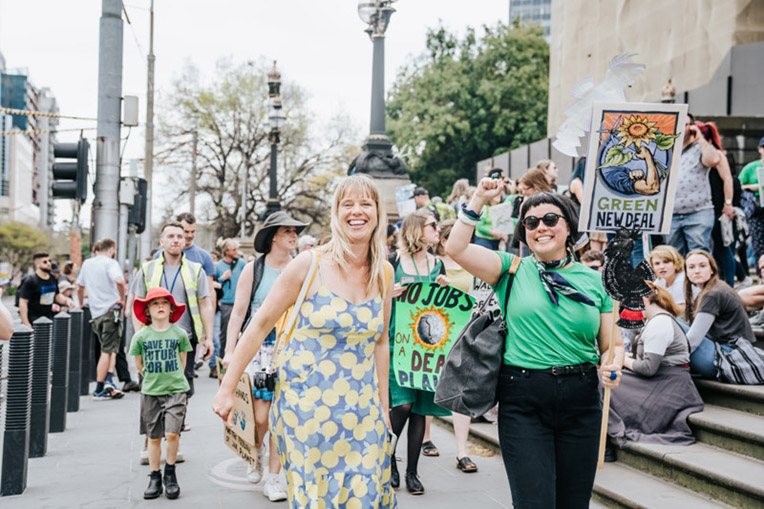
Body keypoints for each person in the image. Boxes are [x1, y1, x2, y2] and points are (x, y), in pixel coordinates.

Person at [213, 174, 396, 508]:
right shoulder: (309, 264)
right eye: (347, 204)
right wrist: (227, 386)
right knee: (318, 501)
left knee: (366, 499)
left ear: (378, 211)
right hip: (306, 410)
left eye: (365, 203)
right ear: (336, 213)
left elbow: (381, 342)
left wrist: (384, 407)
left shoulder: (384, 272)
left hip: (363, 413)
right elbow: (259, 325)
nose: (357, 212)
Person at [446, 179, 623, 507]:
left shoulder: (597, 281)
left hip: (582, 400)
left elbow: (613, 343)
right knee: (534, 503)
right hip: (523, 399)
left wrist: (613, 363)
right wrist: (479, 199)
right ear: (523, 231)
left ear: (569, 227)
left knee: (573, 503)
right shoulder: (509, 269)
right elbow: (455, 249)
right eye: (531, 222)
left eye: (550, 219)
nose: (540, 227)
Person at [223, 210, 307, 501]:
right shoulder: (254, 269)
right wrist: (230, 350)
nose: (294, 236)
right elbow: (238, 313)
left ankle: (275, 478)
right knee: (261, 418)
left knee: (281, 417)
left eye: (295, 231)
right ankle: (254, 450)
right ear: (273, 237)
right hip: (260, 347)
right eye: (288, 231)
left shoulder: (301, 267)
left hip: (290, 347)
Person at [388, 209, 450, 495]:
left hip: (428, 347)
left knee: (420, 410)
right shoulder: (392, 261)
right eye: (432, 225)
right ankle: (389, 458)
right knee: (401, 404)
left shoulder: (438, 264)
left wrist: (445, 290)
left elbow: (446, 310)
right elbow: (373, 297)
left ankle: (412, 471)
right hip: (397, 342)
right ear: (416, 229)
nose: (437, 229)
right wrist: (388, 293)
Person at [607, 282, 703, 454]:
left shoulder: (660, 323)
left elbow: (648, 368)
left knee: (603, 381)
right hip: (662, 379)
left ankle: (606, 439)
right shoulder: (655, 321)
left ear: (643, 299)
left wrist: (623, 361)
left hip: (669, 385)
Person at [130, 287, 193, 500]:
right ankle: (155, 476)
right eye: (155, 303)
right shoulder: (141, 336)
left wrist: (174, 378)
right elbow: (139, 364)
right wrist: (150, 377)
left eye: (164, 303)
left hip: (176, 389)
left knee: (172, 433)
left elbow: (183, 360)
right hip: (150, 391)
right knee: (154, 437)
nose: (160, 307)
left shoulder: (179, 334)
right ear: (147, 310)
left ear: (171, 309)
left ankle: (171, 473)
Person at [433, 219, 479, 473]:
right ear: (444, 241)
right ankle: (425, 436)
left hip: (463, 333)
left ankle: (462, 451)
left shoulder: (473, 264)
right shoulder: (434, 265)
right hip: (435, 335)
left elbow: (480, 299)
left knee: (461, 392)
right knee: (428, 385)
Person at [684, 250, 764, 383]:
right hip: (720, 352)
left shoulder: (713, 294)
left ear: (712, 270)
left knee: (668, 322)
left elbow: (692, 340)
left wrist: (665, 359)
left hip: (726, 358)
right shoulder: (708, 291)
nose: (697, 271)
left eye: (702, 266)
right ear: (686, 272)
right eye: (691, 267)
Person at [77, 239, 129, 400]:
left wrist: (80, 303)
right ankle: (101, 386)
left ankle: (109, 380)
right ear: (112, 249)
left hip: (96, 313)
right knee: (108, 351)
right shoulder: (110, 262)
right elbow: (119, 281)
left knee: (110, 347)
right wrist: (122, 299)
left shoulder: (87, 264)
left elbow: (80, 286)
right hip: (111, 310)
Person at [668, 114, 722, 256]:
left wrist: (700, 139)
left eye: (684, 125)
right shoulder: (667, 148)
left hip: (698, 212)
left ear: (691, 127)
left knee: (699, 254)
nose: (680, 128)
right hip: (671, 214)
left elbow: (714, 159)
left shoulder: (700, 147)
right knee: (675, 257)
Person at [697, 121, 737, 285]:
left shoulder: (716, 155)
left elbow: (728, 179)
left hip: (716, 209)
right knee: (715, 249)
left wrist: (728, 204)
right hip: (704, 208)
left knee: (722, 249)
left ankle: (729, 285)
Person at [18, 252, 74, 328]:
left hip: (49, 318)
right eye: (45, 262)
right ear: (37, 264)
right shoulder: (30, 280)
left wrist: (67, 300)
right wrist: (26, 322)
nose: (48, 263)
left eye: (49, 261)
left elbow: (57, 296)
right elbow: (23, 302)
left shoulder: (53, 278)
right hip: (34, 320)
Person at [216, 239, 246, 369]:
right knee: (225, 334)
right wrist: (222, 279)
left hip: (241, 302)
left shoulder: (242, 264)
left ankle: (240, 362)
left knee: (243, 333)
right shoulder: (219, 266)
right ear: (226, 251)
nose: (236, 252)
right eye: (234, 249)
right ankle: (223, 362)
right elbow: (215, 286)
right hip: (226, 303)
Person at [738, 137, 764, 260]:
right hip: (756, 208)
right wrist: (753, 187)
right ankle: (761, 273)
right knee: (758, 242)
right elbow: (738, 185)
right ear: (760, 149)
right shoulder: (750, 167)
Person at [650, 245, 688, 314]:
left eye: (666, 262)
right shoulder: (660, 281)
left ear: (676, 262)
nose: (661, 267)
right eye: (657, 263)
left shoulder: (682, 280)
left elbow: (682, 310)